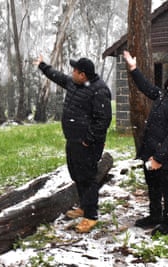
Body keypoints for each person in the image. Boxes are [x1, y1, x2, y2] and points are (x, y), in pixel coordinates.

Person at [33, 55, 112, 233]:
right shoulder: (74, 83)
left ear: (82, 75)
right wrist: (43, 66)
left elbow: (103, 120)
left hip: (87, 144)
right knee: (77, 175)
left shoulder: (99, 91)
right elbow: (57, 76)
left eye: (74, 70)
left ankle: (91, 216)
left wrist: (88, 140)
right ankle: (84, 206)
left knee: (88, 178)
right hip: (73, 140)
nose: (71, 72)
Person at [123, 50, 168, 235]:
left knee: (167, 188)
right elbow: (146, 87)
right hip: (151, 151)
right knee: (153, 186)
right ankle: (155, 215)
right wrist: (134, 69)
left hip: (165, 156)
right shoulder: (164, 95)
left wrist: (158, 158)